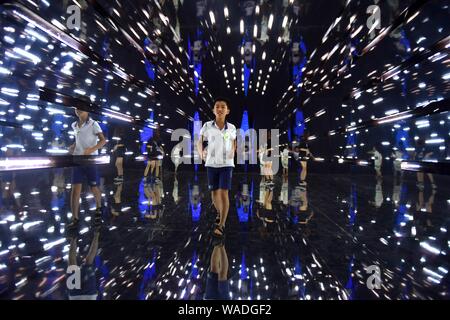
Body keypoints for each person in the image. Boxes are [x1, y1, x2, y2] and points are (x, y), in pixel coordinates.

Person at [197, 97, 237, 240]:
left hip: (226, 164)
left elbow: (233, 142)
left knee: (223, 193)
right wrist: (201, 153)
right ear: (214, 110)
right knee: (214, 193)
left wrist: (233, 151)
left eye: (223, 107)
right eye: (217, 106)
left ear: (227, 111)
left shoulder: (231, 128)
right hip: (211, 164)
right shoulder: (207, 126)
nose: (220, 109)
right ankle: (220, 213)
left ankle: (222, 225)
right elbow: (199, 141)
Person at [67, 108, 106, 231]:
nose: (78, 110)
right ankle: (75, 219)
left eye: (81, 108)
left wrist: (91, 150)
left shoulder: (94, 124)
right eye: (76, 108)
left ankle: (99, 207)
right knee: (75, 190)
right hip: (77, 160)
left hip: (90, 161)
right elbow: (79, 140)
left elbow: (103, 140)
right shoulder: (74, 125)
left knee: (94, 187)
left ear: (87, 110)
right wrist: (73, 146)